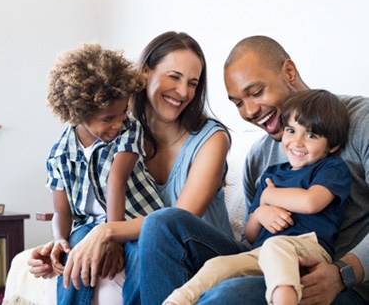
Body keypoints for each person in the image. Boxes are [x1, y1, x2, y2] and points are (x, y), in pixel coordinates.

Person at [137, 35, 369, 305]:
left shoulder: (360, 120)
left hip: (342, 284)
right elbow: (252, 239)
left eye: (256, 92)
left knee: (226, 295)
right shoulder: (258, 158)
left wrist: (344, 272)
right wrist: (261, 213)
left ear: (289, 72)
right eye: (237, 103)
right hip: (269, 266)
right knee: (161, 224)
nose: (249, 112)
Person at [25, 31, 233, 304]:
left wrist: (108, 231)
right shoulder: (115, 130)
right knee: (84, 242)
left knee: (156, 229)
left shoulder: (211, 139)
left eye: (193, 83)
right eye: (174, 76)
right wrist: (62, 244)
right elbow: (88, 203)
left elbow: (176, 223)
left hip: (199, 250)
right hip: (150, 246)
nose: (183, 92)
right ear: (145, 73)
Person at [163, 89, 351, 305]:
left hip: (307, 249)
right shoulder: (271, 175)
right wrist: (261, 211)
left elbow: (311, 202)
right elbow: (251, 235)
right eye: (291, 130)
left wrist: (270, 196)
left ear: (333, 146)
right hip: (263, 252)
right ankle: (176, 301)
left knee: (275, 247)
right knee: (218, 265)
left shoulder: (330, 168)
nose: (297, 142)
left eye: (311, 135)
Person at [45, 42, 164, 304]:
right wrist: (59, 241)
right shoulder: (59, 154)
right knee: (74, 253)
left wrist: (113, 239)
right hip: (87, 226)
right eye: (108, 118)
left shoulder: (129, 130)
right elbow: (61, 212)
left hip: (134, 221)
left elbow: (116, 180)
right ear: (79, 113)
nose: (118, 123)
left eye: (123, 112)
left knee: (142, 255)